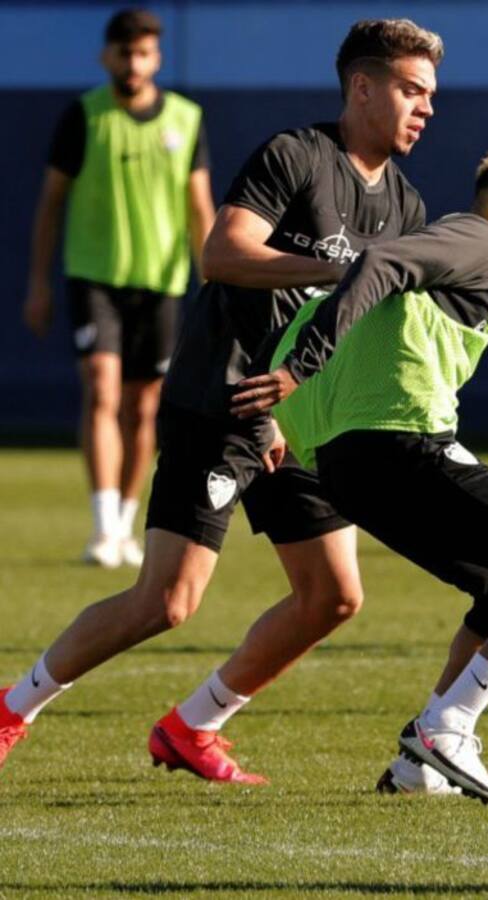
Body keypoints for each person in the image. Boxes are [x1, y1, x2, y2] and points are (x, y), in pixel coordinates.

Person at [0, 18, 440, 785]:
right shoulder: (297, 155)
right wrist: (338, 272)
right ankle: (12, 708)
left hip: (299, 418)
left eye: (431, 93)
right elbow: (221, 253)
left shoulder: (404, 205)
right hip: (223, 399)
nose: (425, 106)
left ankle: (191, 726)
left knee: (334, 596)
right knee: (166, 602)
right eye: (411, 89)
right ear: (362, 87)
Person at [231, 147, 488, 806]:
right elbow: (378, 263)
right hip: (401, 449)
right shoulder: (481, 240)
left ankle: (417, 766)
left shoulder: (467, 257)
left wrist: (285, 401)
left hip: (352, 466)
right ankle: (448, 728)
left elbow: (334, 301)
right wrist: (304, 368)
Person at [22, 8, 215, 568]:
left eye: (144, 53)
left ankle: (126, 528)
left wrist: (217, 292)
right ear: (107, 55)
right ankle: (103, 527)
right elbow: (49, 206)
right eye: (124, 52)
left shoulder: (185, 118)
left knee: (144, 406)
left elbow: (200, 210)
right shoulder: (83, 117)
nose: (133, 62)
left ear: (157, 58)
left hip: (160, 283)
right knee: (103, 391)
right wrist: (39, 283)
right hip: (94, 278)